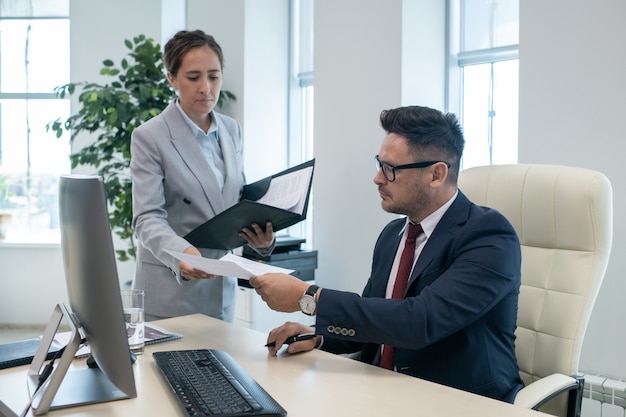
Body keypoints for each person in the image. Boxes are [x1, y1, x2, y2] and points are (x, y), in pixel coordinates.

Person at [249, 105, 525, 403]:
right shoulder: (393, 235)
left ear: (436, 174)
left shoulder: (489, 235)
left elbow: (420, 321)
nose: (377, 178)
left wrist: (311, 296)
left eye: (390, 169)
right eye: (380, 164)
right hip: (381, 392)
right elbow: (378, 319)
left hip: (459, 401)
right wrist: (318, 335)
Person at [131, 30, 274, 322]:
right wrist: (181, 253)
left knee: (220, 367)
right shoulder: (150, 136)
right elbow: (146, 217)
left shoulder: (232, 130)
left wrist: (260, 238)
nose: (206, 88)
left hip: (221, 288)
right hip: (171, 290)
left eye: (214, 76)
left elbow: (232, 203)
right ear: (172, 78)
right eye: (193, 77)